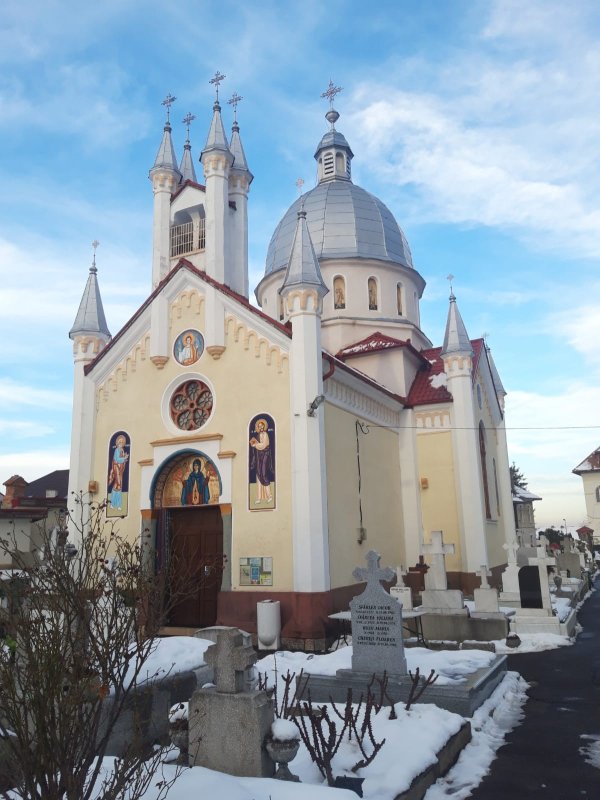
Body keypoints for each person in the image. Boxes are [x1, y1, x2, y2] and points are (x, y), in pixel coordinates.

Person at [249, 419, 274, 504]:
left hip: (265, 456)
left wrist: (256, 445)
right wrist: (254, 445)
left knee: (263, 474)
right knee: (258, 475)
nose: (261, 427)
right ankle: (259, 497)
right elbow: (255, 446)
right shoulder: (257, 436)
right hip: (258, 457)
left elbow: (264, 445)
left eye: (262, 426)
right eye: (259, 427)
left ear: (264, 426)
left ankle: (269, 496)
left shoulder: (266, 434)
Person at [108, 434, 129, 511]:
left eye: (122, 442)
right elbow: (116, 459)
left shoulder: (122, 450)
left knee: (118, 486)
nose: (121, 444)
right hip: (116, 468)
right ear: (118, 443)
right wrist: (124, 459)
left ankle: (116, 504)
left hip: (121, 470)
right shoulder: (117, 450)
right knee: (118, 484)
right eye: (120, 442)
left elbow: (122, 461)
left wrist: (124, 458)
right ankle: (114, 504)